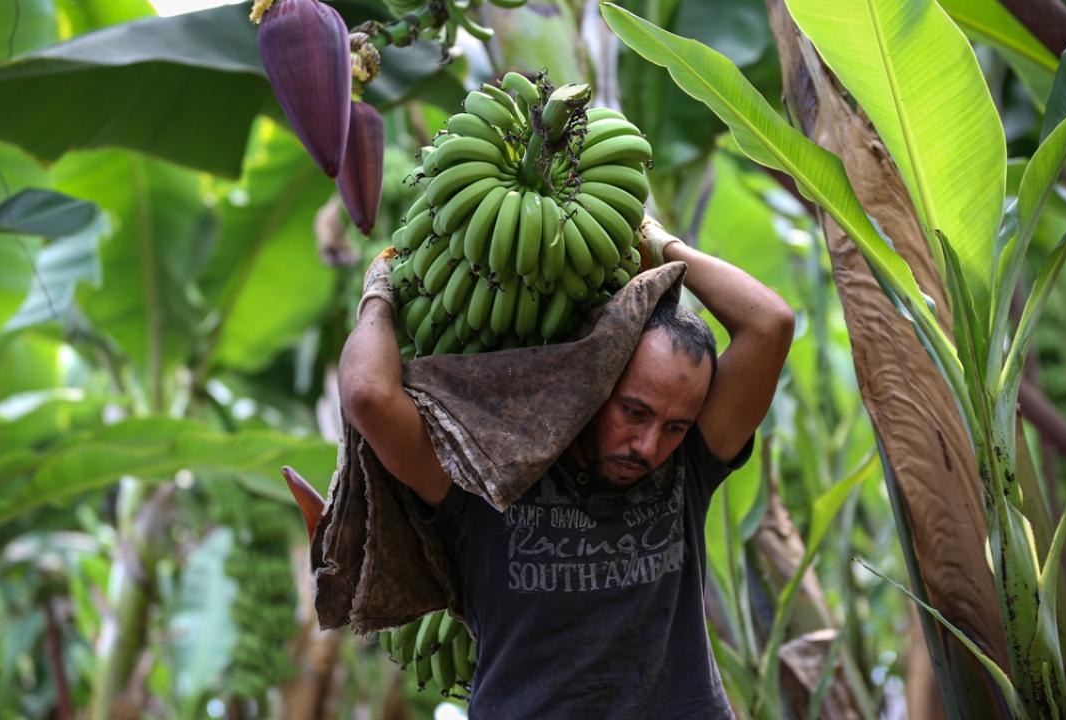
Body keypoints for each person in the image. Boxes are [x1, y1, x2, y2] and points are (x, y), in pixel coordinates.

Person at [338, 215, 794, 718]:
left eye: (675, 427)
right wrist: (380, 291)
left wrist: (660, 244)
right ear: (593, 384)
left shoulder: (686, 469)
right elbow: (369, 396)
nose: (647, 445)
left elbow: (770, 324)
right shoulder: (484, 469)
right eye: (634, 412)